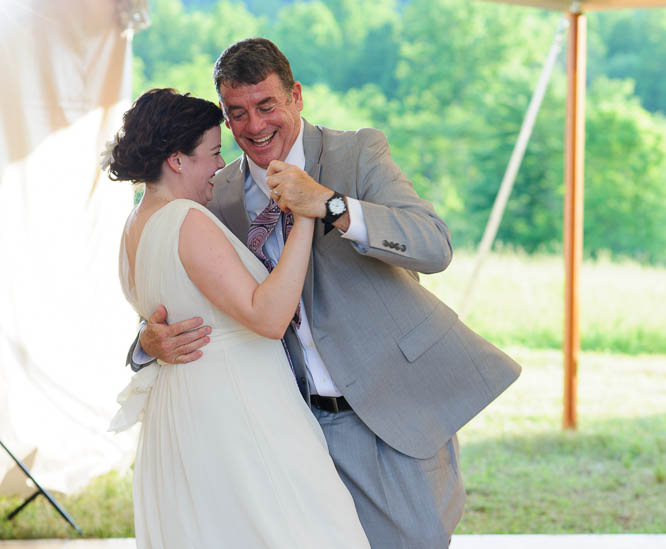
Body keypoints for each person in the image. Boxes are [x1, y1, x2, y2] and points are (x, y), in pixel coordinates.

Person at [132, 38, 522, 548]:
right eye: (237, 114)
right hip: (285, 424)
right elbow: (183, 287)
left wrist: (333, 205)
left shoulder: (357, 152)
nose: (254, 126)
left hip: (385, 412)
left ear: (296, 96)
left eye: (266, 105)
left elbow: (434, 246)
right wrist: (146, 344)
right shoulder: (212, 196)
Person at [107, 88, 369, 548]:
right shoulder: (186, 219)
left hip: (182, 414)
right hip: (235, 414)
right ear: (177, 160)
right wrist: (305, 218)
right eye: (212, 153)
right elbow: (267, 316)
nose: (218, 166)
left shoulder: (135, 225)